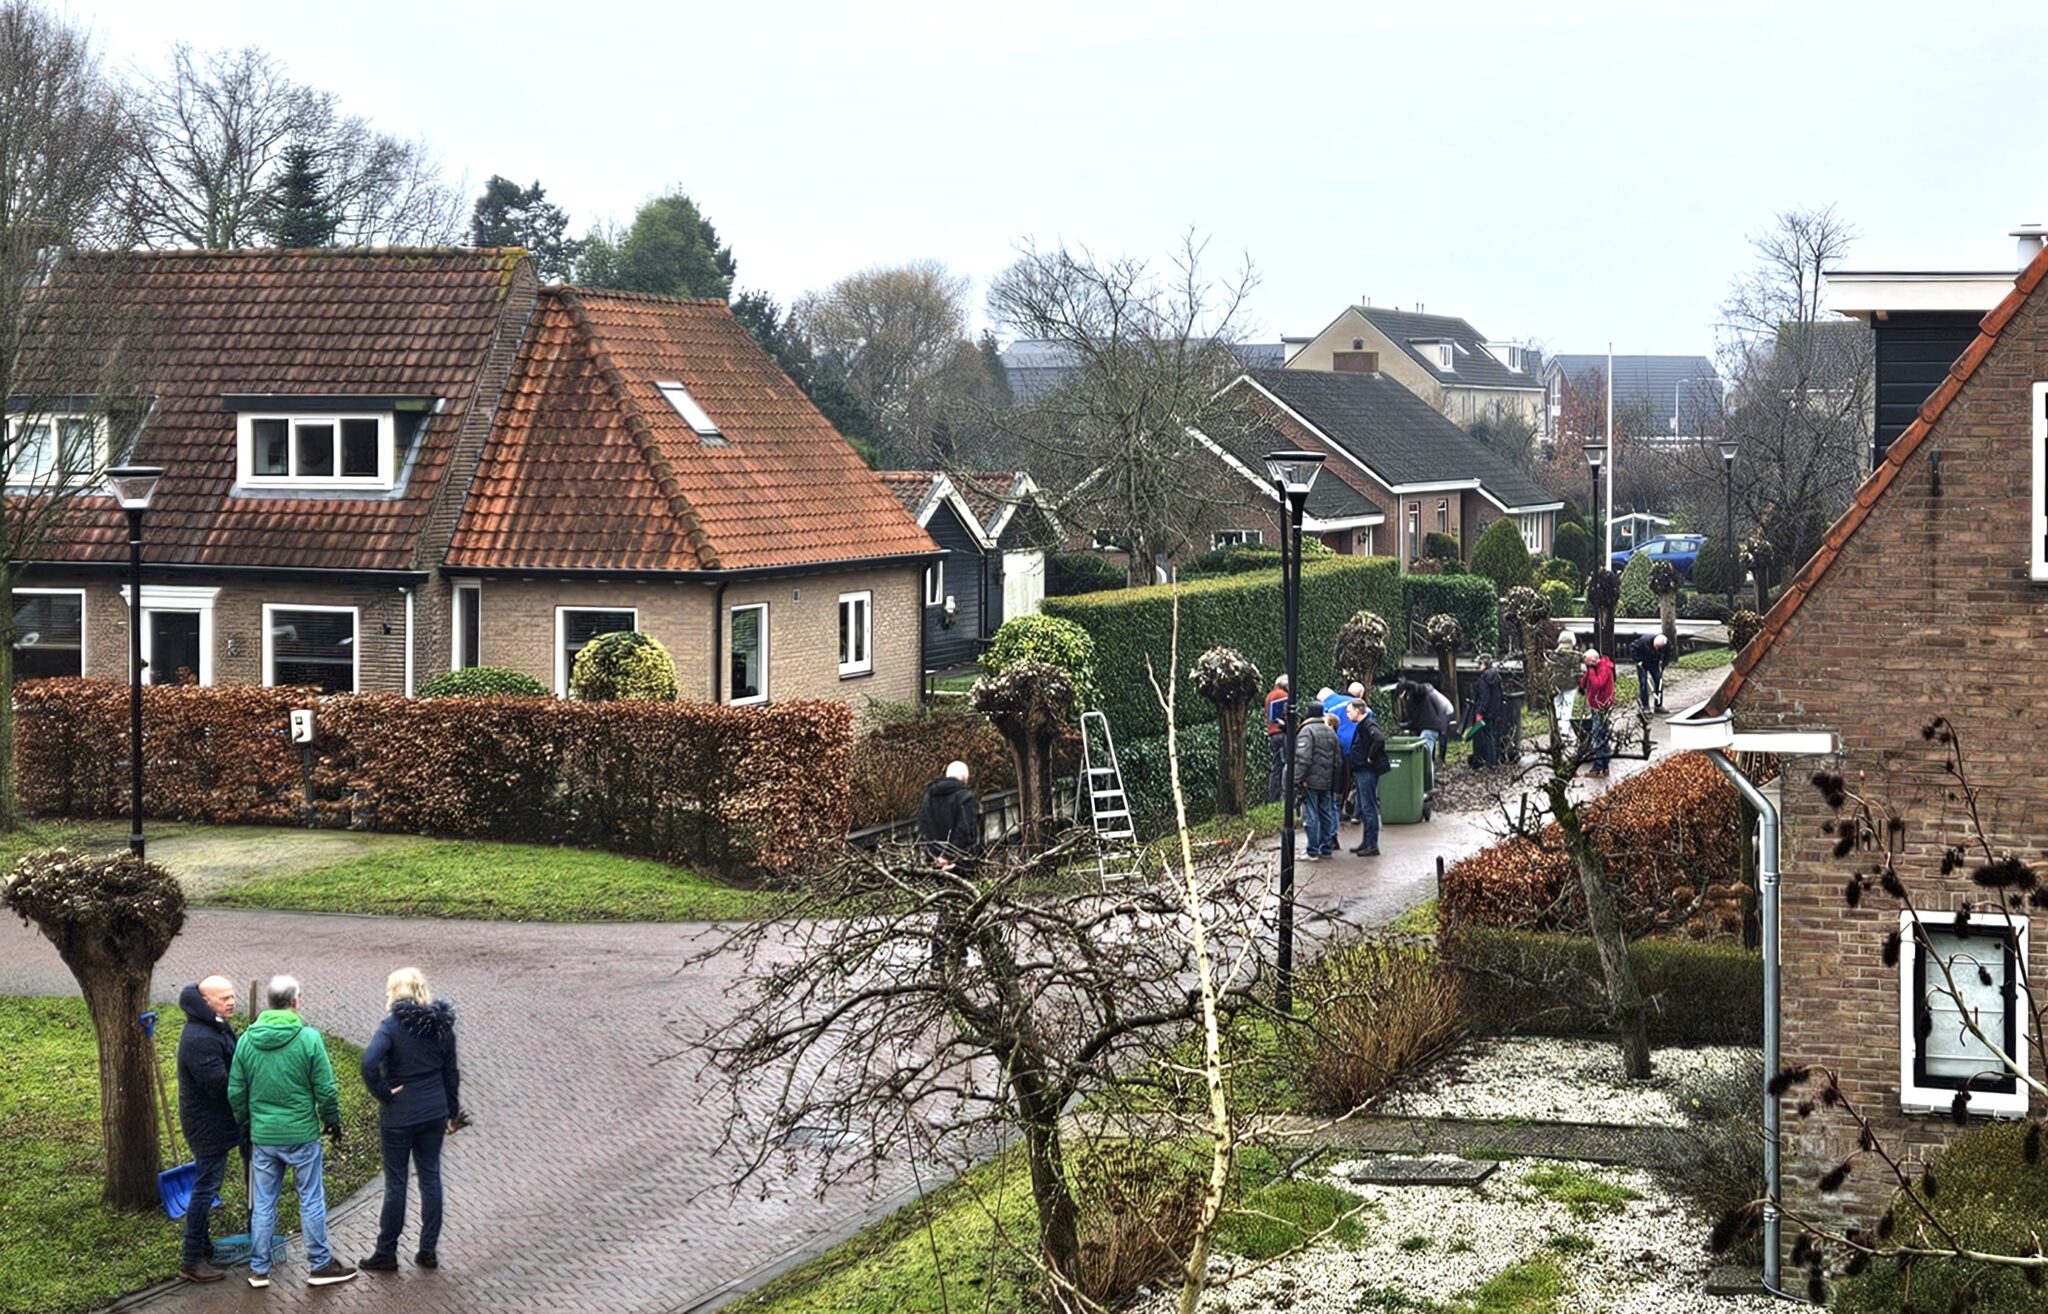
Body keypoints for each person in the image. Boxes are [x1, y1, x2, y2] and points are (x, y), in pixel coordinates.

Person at [229, 975, 355, 1289]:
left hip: (264, 1137)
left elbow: (235, 1091)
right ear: (296, 1001)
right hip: (301, 1135)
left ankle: (259, 1269)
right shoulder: (309, 1038)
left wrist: (247, 1122)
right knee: (311, 1199)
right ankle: (320, 1264)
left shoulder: (246, 1040)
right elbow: (326, 1090)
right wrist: (333, 1121)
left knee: (264, 1202)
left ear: (269, 1003)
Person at [360, 968, 463, 1273]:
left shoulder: (391, 1026)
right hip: (434, 1111)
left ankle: (386, 1252)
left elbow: (368, 1063)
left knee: (397, 1182)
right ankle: (428, 1250)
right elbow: (451, 1073)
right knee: (431, 1177)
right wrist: (452, 1112)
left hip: (400, 1114)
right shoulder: (442, 1026)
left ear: (395, 992)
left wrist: (384, 1093)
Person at [175, 976, 243, 1284]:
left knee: (207, 1185)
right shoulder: (199, 1038)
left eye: (232, 996)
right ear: (206, 1002)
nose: (231, 1002)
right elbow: (220, 1085)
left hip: (218, 1121)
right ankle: (191, 1260)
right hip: (207, 1125)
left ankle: (203, 1247)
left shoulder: (216, 1024)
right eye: (223, 998)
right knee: (206, 1189)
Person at [1294, 711, 1343, 860]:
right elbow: (1338, 760)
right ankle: (1326, 848)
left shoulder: (1307, 731)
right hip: (1327, 781)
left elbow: (1303, 758)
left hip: (1310, 781)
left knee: (1311, 814)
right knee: (1326, 813)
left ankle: (1312, 851)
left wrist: (1297, 779)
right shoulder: (1331, 733)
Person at [1344, 701, 1390, 857]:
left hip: (1366, 771)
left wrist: (1369, 757)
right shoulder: (1363, 725)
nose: (1347, 714)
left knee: (1368, 807)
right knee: (1364, 807)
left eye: (1349, 711)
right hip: (1360, 770)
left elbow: (1379, 739)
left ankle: (1372, 844)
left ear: (1358, 710)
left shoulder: (1368, 725)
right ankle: (1366, 842)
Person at [916, 761, 980, 870]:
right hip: (958, 863)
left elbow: (924, 827)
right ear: (964, 778)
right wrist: (948, 857)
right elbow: (964, 830)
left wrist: (934, 856)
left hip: (933, 862)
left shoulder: (928, 797)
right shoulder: (965, 798)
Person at [1396, 678, 1454, 766]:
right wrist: (1403, 726)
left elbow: (1418, 688)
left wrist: (1404, 684)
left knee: (1426, 752)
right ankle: (1432, 762)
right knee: (1428, 747)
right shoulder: (1413, 702)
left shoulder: (1416, 694)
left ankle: (1439, 760)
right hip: (1431, 723)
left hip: (1438, 717)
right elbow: (1415, 720)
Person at [1581, 647, 1617, 778]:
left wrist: (1591, 670)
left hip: (1602, 706)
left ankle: (1597, 767)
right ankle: (1605, 765)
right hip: (1596, 705)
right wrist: (1588, 671)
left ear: (1592, 660)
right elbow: (1583, 684)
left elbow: (1598, 684)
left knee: (1598, 736)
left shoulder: (1605, 668)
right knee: (1602, 735)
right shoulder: (1595, 668)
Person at [1547, 632, 1581, 750]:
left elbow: (1549, 669)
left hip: (1556, 684)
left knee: (1557, 705)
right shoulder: (1575, 656)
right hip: (1570, 685)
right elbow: (1576, 671)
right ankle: (1565, 730)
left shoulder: (1553, 655)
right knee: (1568, 705)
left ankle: (1556, 729)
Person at [1471, 654, 1506, 769]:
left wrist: (1480, 712)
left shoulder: (1484, 677)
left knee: (1487, 736)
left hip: (1486, 712)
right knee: (1493, 735)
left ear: (1484, 664)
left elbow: (1483, 697)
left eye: (1479, 664)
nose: (1478, 666)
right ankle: (1494, 760)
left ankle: (1490, 763)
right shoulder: (1496, 675)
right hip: (1495, 710)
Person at [1263, 675, 1291, 802]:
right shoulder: (1283, 695)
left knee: (1276, 766)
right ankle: (1286, 796)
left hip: (1272, 733)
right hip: (1282, 732)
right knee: (1287, 764)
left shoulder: (1270, 695)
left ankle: (1273, 797)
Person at [1630, 631, 1671, 714]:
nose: (1656, 649)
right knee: (1644, 683)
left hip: (1654, 663)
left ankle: (1658, 705)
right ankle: (1645, 706)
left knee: (1659, 681)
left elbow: (1668, 654)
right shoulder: (1644, 641)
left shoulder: (1666, 643)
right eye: (1655, 647)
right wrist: (1637, 660)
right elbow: (1632, 647)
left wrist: (1664, 664)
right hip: (1642, 663)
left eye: (1658, 648)